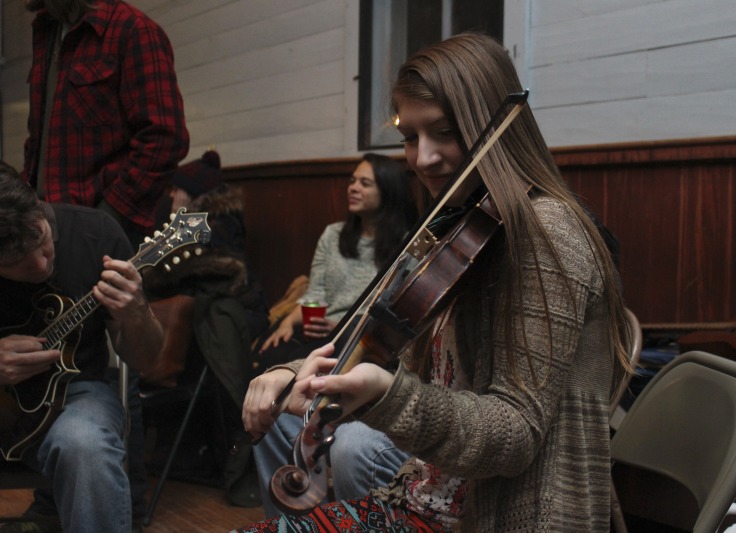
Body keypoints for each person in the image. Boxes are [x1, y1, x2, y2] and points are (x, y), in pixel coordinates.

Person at [236, 32, 632, 532]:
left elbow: (515, 435)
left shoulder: (548, 233)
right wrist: (296, 372)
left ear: (495, 127)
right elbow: (379, 347)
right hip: (422, 500)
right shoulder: (460, 228)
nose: (422, 159)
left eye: (444, 132)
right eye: (409, 136)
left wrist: (389, 397)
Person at [251, 153, 419, 517]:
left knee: (321, 374)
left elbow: (396, 308)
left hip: (366, 339)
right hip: (325, 332)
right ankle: (292, 500)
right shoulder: (333, 235)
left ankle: (318, 478)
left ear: (387, 191)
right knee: (269, 365)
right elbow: (315, 294)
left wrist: (345, 319)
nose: (353, 188)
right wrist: (289, 321)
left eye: (365, 183)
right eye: (352, 181)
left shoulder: (409, 242)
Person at [0, 162, 163, 533]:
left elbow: (147, 360)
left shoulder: (95, 233)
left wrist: (136, 311)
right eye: (17, 265)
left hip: (76, 393)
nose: (42, 264)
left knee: (85, 445)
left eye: (42, 240)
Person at [141, 149, 270, 507]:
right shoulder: (187, 225)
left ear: (193, 193)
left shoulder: (211, 227)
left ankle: (224, 458)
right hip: (206, 317)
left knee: (206, 333)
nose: (170, 195)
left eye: (176, 189)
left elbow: (207, 278)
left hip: (237, 316)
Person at [21, 0, 190, 247]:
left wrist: (107, 219)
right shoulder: (47, 31)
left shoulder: (133, 30)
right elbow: (39, 140)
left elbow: (165, 138)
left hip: (104, 235)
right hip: (46, 228)